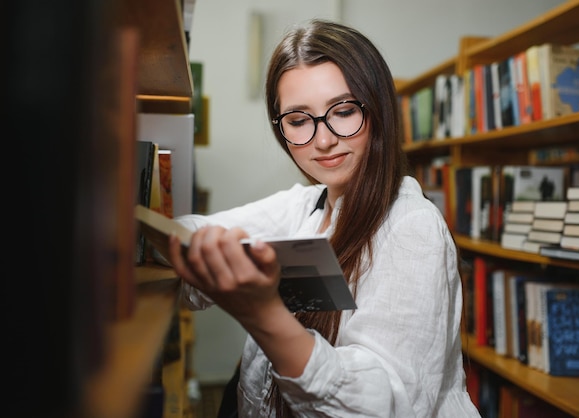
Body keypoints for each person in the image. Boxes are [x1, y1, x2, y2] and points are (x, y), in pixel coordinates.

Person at [168, 19, 481, 418]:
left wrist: (265, 316)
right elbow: (192, 232)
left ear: (379, 110)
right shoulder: (307, 205)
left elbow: (385, 406)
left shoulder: (411, 226)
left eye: (344, 111)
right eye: (298, 120)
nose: (323, 139)